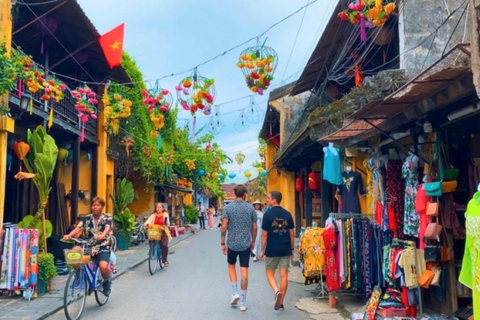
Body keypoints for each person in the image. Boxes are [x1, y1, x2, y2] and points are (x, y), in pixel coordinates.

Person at [63, 197, 113, 296]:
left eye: (98, 205)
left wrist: (103, 235)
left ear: (102, 207)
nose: (95, 207)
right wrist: (69, 235)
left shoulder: (107, 217)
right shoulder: (86, 218)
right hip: (87, 244)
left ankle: (106, 282)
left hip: (102, 245)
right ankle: (77, 274)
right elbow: (78, 228)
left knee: (103, 266)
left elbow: (107, 227)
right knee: (74, 251)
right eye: (93, 205)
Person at [221, 184, 257, 312]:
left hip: (232, 243)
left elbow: (224, 226)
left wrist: (222, 243)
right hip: (245, 244)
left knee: (231, 266)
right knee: (244, 271)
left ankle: (235, 291)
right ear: (245, 193)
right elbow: (255, 227)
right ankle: (243, 302)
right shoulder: (250, 208)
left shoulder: (228, 208)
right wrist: (253, 241)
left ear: (235, 193)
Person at [259, 191, 295, 311]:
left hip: (272, 249)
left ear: (274, 200)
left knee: (270, 274)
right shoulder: (288, 214)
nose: (267, 200)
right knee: (284, 275)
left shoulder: (267, 215)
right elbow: (292, 233)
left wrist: (262, 250)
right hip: (285, 248)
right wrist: (292, 249)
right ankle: (281, 302)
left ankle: (276, 292)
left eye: (268, 198)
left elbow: (264, 234)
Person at [144, 203, 171, 267]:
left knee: (164, 245)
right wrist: (146, 224)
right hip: (154, 231)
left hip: (163, 231)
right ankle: (152, 251)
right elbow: (149, 220)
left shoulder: (165, 214)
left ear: (162, 208)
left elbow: (167, 222)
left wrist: (166, 223)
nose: (158, 208)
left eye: (160, 207)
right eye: (157, 207)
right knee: (151, 239)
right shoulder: (153, 215)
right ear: (155, 208)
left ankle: (165, 261)